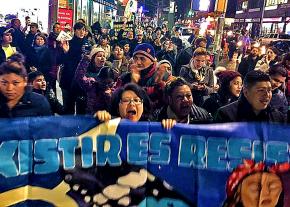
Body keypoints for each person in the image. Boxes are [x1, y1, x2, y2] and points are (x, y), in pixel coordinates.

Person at [215, 70, 286, 123]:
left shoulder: (277, 117)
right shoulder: (226, 114)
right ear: (246, 92)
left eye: (269, 90)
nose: (267, 95)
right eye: (261, 90)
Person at [75, 47, 113, 114]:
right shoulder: (89, 77)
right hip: (90, 110)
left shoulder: (108, 71)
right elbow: (79, 77)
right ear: (93, 58)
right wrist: (85, 61)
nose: (102, 58)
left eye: (104, 56)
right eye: (99, 56)